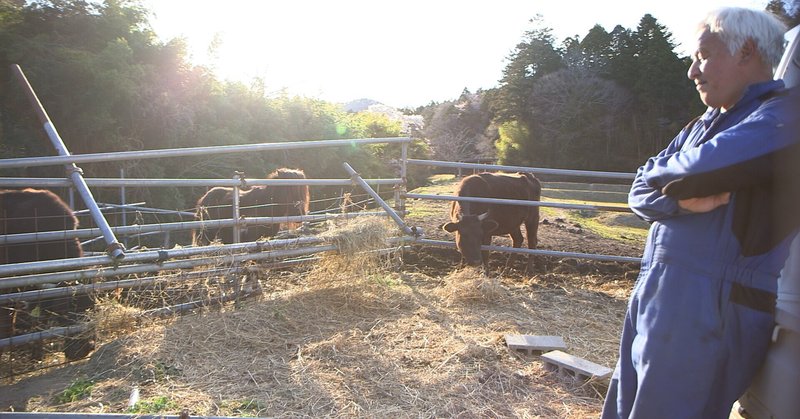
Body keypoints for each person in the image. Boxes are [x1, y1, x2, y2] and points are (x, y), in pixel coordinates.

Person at [602, 7, 798, 419]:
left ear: (746, 51)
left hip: (713, 301)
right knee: (623, 405)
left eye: (703, 55)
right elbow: (639, 188)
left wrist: (667, 183)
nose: (692, 71)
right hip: (658, 288)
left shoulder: (783, 118)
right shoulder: (702, 125)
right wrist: (670, 200)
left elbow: (694, 173)